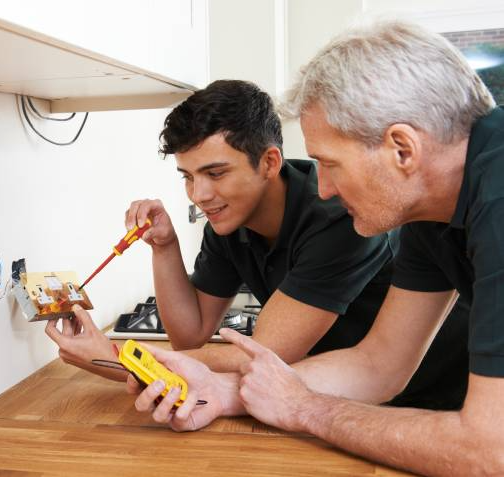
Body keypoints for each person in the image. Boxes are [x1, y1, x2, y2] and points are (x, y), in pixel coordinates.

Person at [129, 21, 504, 476]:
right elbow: (379, 364)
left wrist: (306, 409)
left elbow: (489, 451)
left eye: (330, 163)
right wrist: (230, 392)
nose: (322, 188)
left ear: (402, 149)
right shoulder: (429, 205)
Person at [47, 79, 468, 410]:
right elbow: (190, 336)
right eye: (188, 177)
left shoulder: (337, 218)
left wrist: (116, 357)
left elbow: (264, 356)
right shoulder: (230, 224)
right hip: (352, 390)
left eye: (215, 173)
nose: (199, 194)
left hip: (444, 394)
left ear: (269, 162)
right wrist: (165, 246)